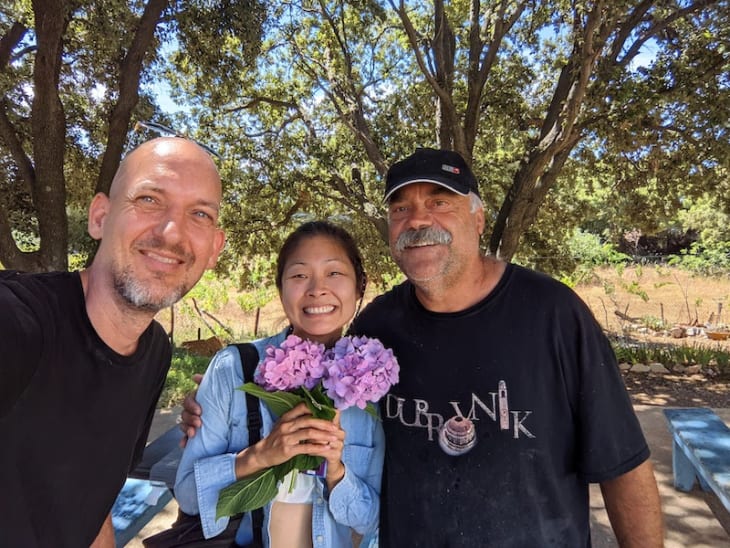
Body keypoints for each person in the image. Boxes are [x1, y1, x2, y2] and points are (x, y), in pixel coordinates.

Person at [182, 148, 664, 546]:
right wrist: (222, 399)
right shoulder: (373, 335)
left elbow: (622, 463)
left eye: (440, 202)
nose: (418, 220)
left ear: (478, 218)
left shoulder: (554, 313)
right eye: (401, 209)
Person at [0, 136, 226, 548]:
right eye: (149, 199)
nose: (172, 232)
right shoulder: (19, 325)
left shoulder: (153, 350)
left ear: (215, 248)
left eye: (199, 213)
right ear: (100, 216)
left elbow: (90, 501)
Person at [173, 221, 383, 547]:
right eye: (299, 275)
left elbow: (372, 520)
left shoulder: (372, 384)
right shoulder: (233, 369)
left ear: (359, 288)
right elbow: (188, 495)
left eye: (334, 273)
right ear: (280, 289)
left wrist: (337, 472)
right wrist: (261, 455)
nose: (316, 289)